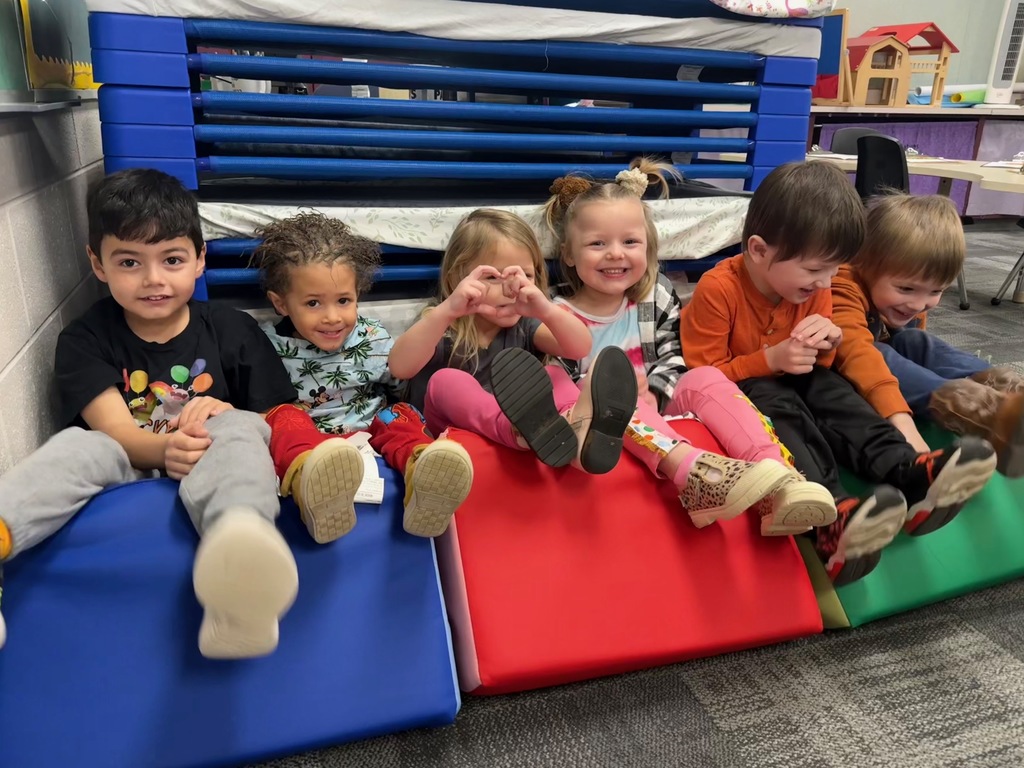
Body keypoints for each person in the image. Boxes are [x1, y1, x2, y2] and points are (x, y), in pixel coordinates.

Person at [0, 169, 301, 658]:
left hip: (212, 459)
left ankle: (240, 571)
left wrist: (226, 413)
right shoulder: (84, 340)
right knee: (82, 444)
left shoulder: (232, 329)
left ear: (200, 260)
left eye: (172, 259)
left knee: (242, 426)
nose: (154, 279)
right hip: (130, 461)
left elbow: (276, 418)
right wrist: (165, 448)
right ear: (97, 264)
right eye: (129, 262)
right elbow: (117, 432)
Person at [680, 161, 997, 586]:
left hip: (798, 376)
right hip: (742, 392)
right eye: (815, 270)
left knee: (834, 390)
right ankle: (829, 514)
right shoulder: (718, 290)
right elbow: (703, 378)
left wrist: (828, 342)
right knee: (780, 405)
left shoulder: (818, 288)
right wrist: (770, 361)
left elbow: (824, 366)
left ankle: (907, 469)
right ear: (758, 250)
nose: (827, 281)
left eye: (834, 270)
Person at [540, 157, 837, 536]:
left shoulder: (656, 296)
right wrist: (625, 403)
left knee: (706, 376)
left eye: (630, 242)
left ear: (648, 248)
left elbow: (673, 356)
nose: (616, 253)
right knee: (600, 393)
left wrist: (656, 395)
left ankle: (778, 479)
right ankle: (697, 477)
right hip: (604, 421)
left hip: (660, 403)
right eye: (597, 244)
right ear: (568, 254)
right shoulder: (555, 313)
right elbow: (562, 387)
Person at [253, 213, 473, 542]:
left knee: (398, 414)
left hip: (369, 429)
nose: (332, 317)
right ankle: (308, 483)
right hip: (312, 446)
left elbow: (399, 386)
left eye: (344, 300)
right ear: (280, 303)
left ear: (358, 294)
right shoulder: (266, 346)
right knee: (281, 416)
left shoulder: (371, 337)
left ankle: (422, 469)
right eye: (313, 303)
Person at [832, 192, 1024, 478]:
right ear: (864, 263)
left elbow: (914, 344)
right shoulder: (842, 286)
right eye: (906, 289)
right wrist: (901, 418)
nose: (919, 304)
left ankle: (1009, 390)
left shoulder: (899, 291)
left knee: (914, 340)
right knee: (882, 352)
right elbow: (855, 353)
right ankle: (985, 415)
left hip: (878, 357)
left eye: (936, 291)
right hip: (839, 370)